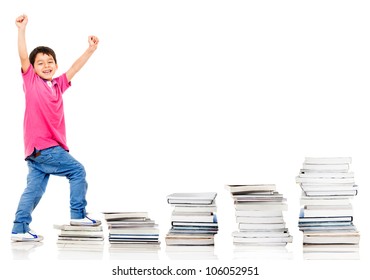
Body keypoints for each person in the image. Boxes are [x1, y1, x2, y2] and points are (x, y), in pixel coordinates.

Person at [11, 14, 101, 242]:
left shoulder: (58, 85)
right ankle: (78, 215)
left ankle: (19, 229)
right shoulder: (31, 81)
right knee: (77, 171)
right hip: (45, 147)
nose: (46, 65)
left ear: (55, 64)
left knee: (34, 190)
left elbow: (74, 68)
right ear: (32, 68)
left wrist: (90, 50)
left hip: (36, 153)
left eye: (50, 62)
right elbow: (23, 55)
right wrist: (21, 30)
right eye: (40, 63)